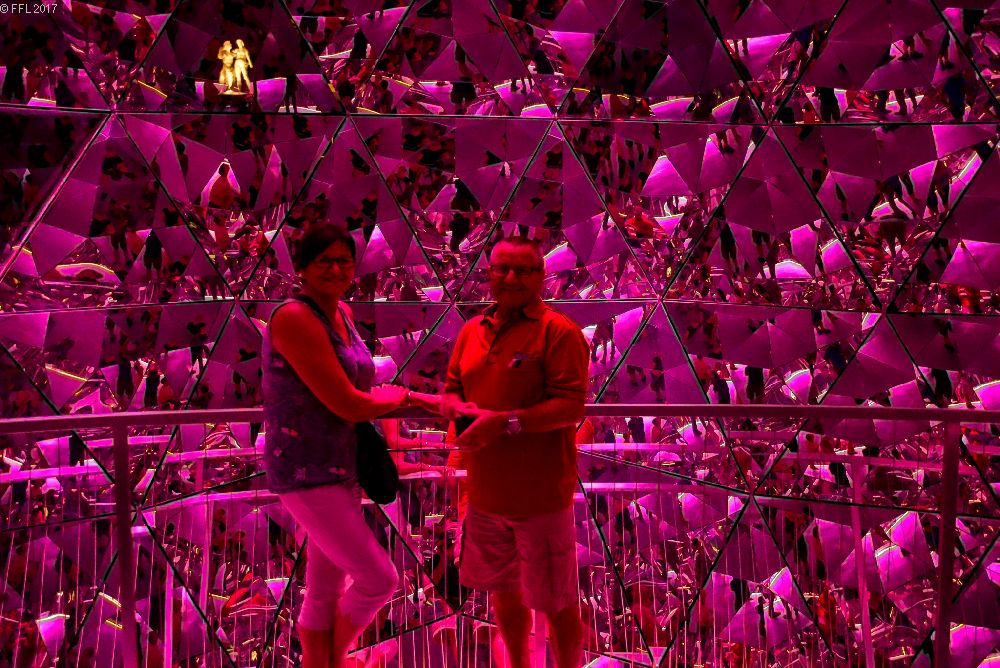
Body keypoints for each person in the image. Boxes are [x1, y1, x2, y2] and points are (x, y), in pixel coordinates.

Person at [262, 223, 434, 668]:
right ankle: (332, 660)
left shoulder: (343, 313)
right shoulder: (294, 317)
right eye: (325, 261)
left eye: (344, 261)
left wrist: (395, 401)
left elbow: (357, 389)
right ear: (302, 267)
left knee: (324, 589)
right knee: (379, 578)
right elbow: (346, 402)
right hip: (305, 468)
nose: (336, 269)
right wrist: (406, 399)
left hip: (341, 463)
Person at [442, 235, 590, 668]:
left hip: (540, 498)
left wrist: (505, 422)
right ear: (488, 274)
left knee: (557, 601)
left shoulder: (558, 332)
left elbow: (571, 406)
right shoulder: (472, 331)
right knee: (503, 595)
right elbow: (452, 387)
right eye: (501, 269)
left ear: (541, 276)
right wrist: (456, 411)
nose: (511, 278)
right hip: (485, 497)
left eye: (523, 270)